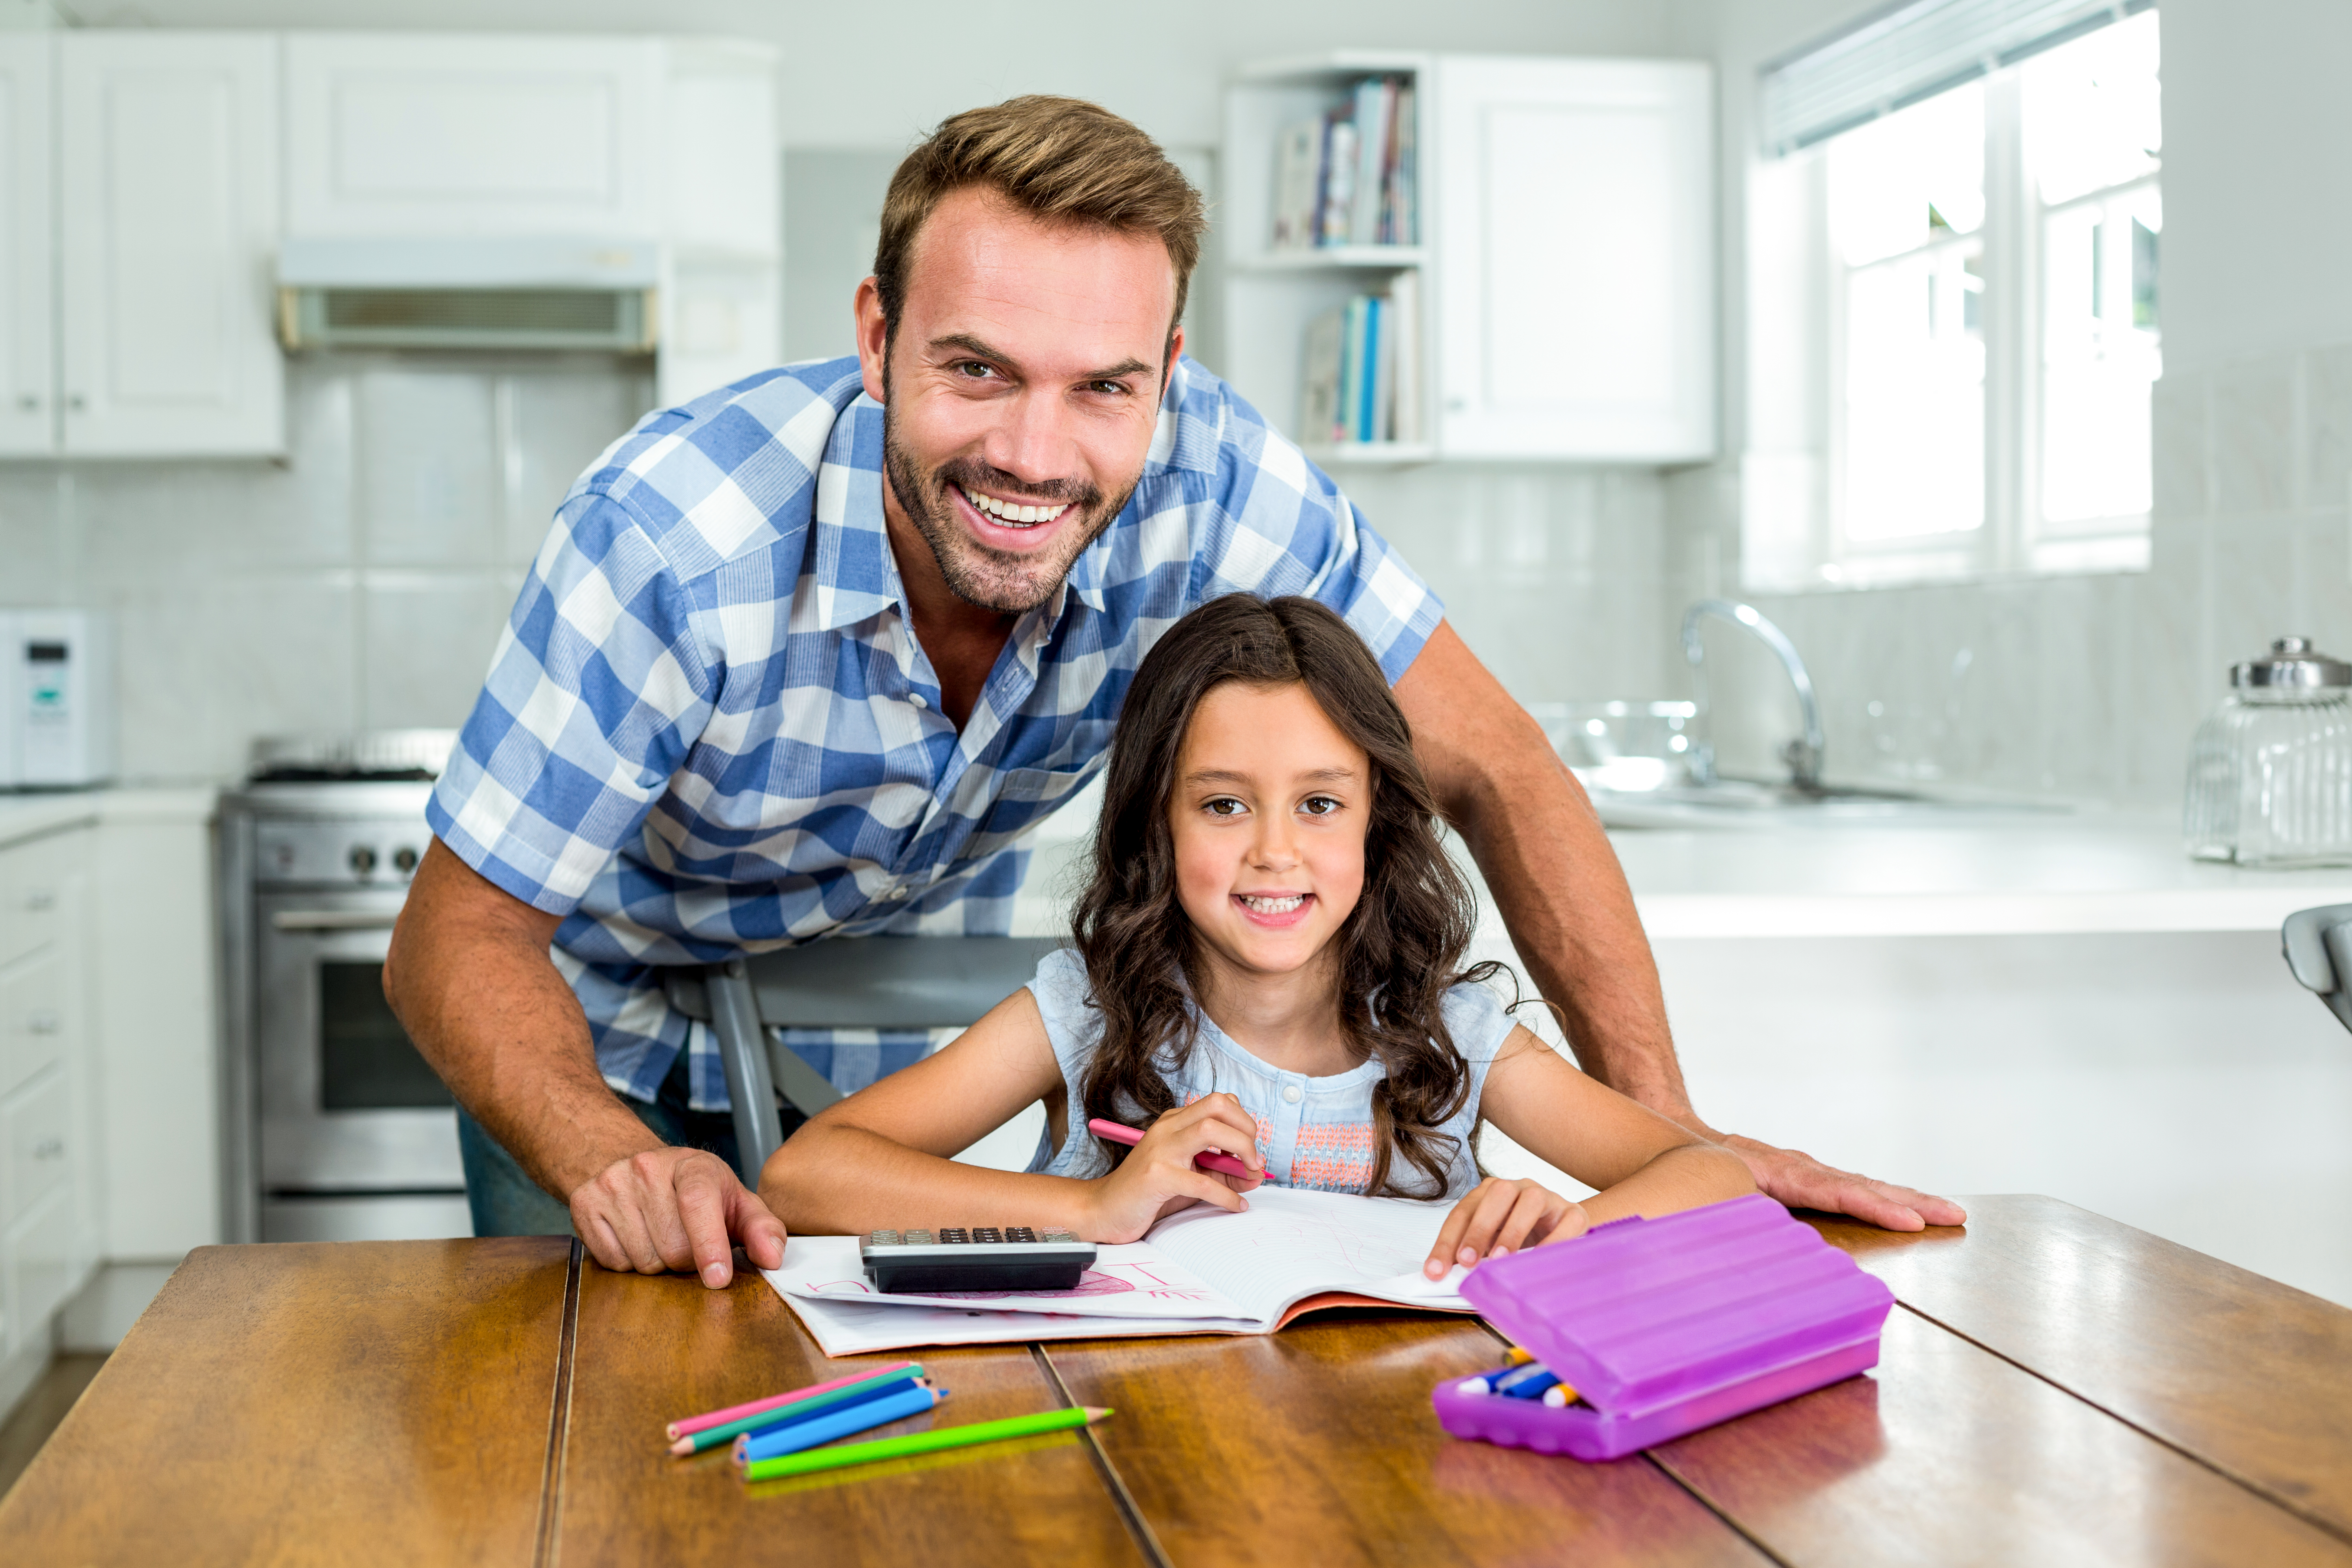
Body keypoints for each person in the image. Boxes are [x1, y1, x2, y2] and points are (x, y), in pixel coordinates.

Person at [384, 95, 1961, 1292]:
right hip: (589, 1016)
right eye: (977, 369)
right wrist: (610, 1157)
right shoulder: (670, 538)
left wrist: (1668, 1164)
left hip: (879, 1014)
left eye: (1105, 388)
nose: (1033, 452)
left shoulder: (1217, 481)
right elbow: (461, 930)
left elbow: (1500, 769)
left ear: (1171, 375)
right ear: (877, 341)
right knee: (594, 1429)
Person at [763, 595, 1758, 1275]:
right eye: (1225, 807)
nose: (1275, 854)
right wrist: (1097, 1210)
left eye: (1321, 804)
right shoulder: (1084, 1010)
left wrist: (1574, 1228)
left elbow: (1711, 1172)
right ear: (1159, 821)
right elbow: (807, 1173)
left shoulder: (1453, 1032)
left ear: (1379, 817)